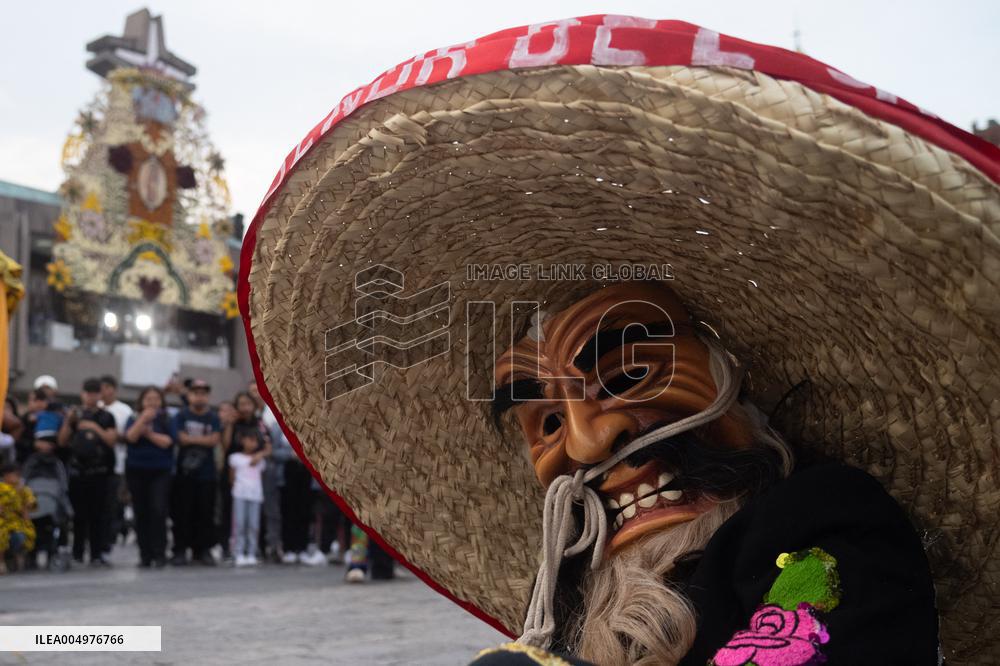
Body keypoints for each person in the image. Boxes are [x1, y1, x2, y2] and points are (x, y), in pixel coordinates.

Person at [236, 16, 1000, 664]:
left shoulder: (815, 527)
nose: (590, 440)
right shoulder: (577, 590)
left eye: (628, 373)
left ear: (734, 371)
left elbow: (801, 640)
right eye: (542, 423)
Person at [57, 378, 117, 566]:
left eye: (95, 393)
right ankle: (77, 552)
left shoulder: (107, 416)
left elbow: (111, 440)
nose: (91, 397)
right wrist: (69, 422)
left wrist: (93, 427)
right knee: (78, 515)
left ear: (100, 395)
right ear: (82, 393)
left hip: (100, 472)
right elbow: (62, 441)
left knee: (99, 515)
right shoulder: (75, 414)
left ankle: (97, 553)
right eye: (88, 392)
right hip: (77, 472)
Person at [170, 379, 221, 566]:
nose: (199, 396)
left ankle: (203, 550)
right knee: (182, 514)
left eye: (203, 393)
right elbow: (180, 439)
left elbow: (214, 440)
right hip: (184, 473)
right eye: (195, 392)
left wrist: (191, 439)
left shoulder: (213, 417)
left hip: (207, 474)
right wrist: (202, 439)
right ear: (189, 395)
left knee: (205, 513)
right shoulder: (180, 416)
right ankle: (180, 550)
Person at [124, 386, 175, 568]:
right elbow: (130, 437)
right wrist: (142, 421)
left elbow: (167, 442)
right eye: (148, 399)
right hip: (136, 470)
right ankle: (145, 555)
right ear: (141, 401)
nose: (152, 402)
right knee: (141, 512)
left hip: (160, 471)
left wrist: (149, 433)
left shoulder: (167, 419)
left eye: (156, 398)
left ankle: (160, 553)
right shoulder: (132, 418)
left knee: (158, 510)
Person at [220, 391, 271, 560]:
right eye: (241, 404)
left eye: (248, 404)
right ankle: (231, 549)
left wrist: (260, 455)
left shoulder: (260, 423)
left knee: (255, 518)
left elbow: (268, 446)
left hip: (255, 470)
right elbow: (226, 446)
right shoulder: (234, 424)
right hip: (235, 468)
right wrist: (229, 424)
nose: (245, 408)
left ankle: (254, 549)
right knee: (232, 514)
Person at [22, 436, 72, 571]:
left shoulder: (57, 463)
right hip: (34, 503)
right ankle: (31, 554)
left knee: (57, 524)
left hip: (53, 503)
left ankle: (53, 552)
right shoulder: (31, 462)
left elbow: (63, 485)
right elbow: (23, 481)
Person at [98, 374, 132, 559]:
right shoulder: (96, 408)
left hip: (118, 464)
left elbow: (126, 436)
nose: (102, 392)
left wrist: (106, 434)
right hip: (97, 465)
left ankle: (111, 539)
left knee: (114, 506)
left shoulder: (123, 410)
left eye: (105, 388)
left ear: (112, 389)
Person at [228, 429, 266, 567]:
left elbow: (261, 476)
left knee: (253, 525)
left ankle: (251, 553)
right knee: (239, 524)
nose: (251, 443)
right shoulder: (235, 458)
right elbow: (231, 477)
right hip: (240, 494)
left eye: (255, 440)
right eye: (249, 439)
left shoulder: (260, 460)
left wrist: (260, 454)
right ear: (242, 440)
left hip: (255, 495)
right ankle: (238, 552)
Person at [0, 463, 36, 573]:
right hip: (2, 521)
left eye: (17, 475)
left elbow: (31, 502)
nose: (17, 477)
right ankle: (1, 562)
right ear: (5, 476)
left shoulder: (23, 489)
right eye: (13, 475)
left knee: (23, 535)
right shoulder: (1, 489)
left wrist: (26, 507)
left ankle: (16, 558)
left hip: (17, 521)